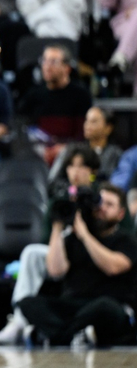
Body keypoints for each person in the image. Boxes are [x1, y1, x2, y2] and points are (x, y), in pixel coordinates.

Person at [18, 183, 137, 347]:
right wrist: (57, 226)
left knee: (105, 308)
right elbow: (55, 270)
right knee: (28, 303)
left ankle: (56, 335)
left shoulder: (126, 241)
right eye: (100, 202)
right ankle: (76, 334)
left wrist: (85, 235)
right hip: (73, 304)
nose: (102, 208)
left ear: (120, 214)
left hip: (108, 304)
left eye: (110, 205)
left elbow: (113, 267)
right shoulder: (73, 239)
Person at [18, 44, 92, 164]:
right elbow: (23, 129)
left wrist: (65, 148)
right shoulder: (33, 95)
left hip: (70, 155)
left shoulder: (81, 95)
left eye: (53, 62)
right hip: (38, 155)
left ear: (67, 68)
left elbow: (83, 133)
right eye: (44, 61)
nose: (47, 66)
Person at [48, 106, 122, 194]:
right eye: (86, 120)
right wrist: (73, 190)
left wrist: (91, 180)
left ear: (108, 128)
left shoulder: (115, 154)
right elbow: (53, 180)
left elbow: (113, 183)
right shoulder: (72, 150)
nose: (87, 125)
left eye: (94, 122)